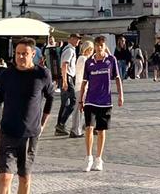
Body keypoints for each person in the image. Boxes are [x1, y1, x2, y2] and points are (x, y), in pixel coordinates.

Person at [0, 38, 54, 194]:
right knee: (4, 177)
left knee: (24, 178)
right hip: (7, 133)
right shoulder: (6, 75)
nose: (20, 57)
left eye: (25, 53)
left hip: (30, 135)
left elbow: (50, 97)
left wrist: (43, 123)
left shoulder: (42, 74)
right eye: (18, 53)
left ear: (33, 54)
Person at [79, 35, 124, 173]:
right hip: (90, 100)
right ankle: (89, 157)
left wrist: (121, 95)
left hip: (105, 101)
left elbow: (117, 78)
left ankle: (99, 158)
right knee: (88, 128)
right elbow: (84, 82)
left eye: (101, 46)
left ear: (105, 47)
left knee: (101, 130)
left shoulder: (111, 60)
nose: (99, 48)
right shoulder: (89, 62)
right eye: (97, 45)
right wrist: (81, 99)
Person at [53, 33, 80, 137]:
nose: (78, 41)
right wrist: (65, 81)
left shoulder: (69, 49)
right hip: (67, 77)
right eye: (76, 39)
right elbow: (64, 65)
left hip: (67, 77)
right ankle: (61, 124)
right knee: (73, 101)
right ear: (71, 39)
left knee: (64, 103)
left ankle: (59, 126)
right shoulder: (69, 50)